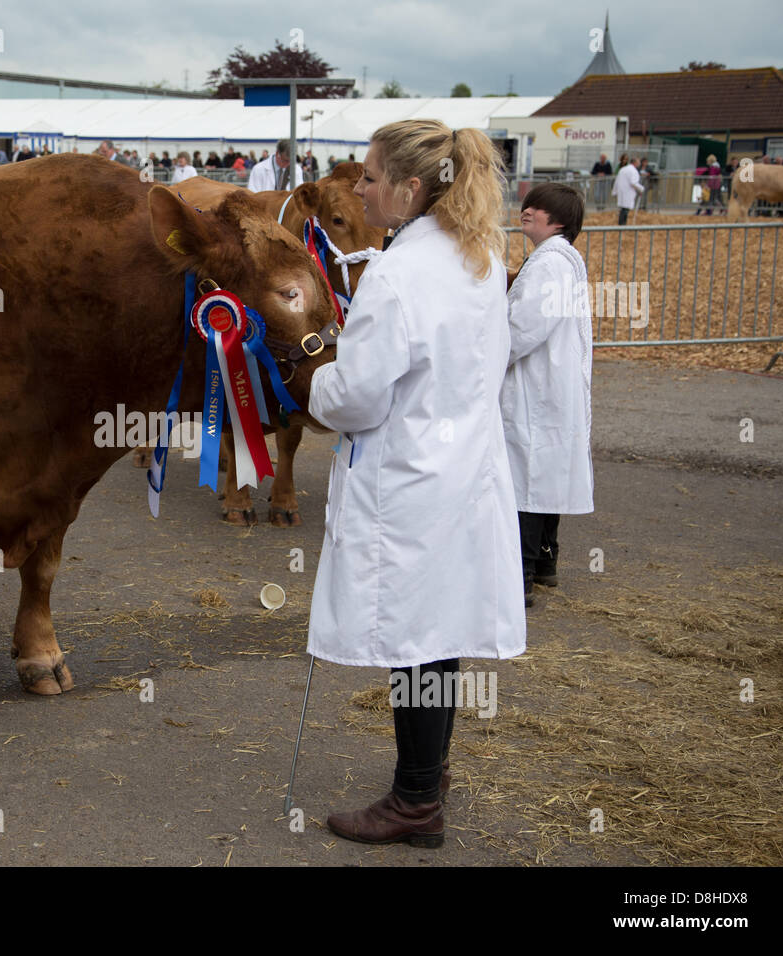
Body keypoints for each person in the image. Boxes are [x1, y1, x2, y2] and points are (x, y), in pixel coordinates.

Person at [307, 119, 525, 847]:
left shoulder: (399, 272)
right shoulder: (480, 254)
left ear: (407, 187)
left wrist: (316, 380)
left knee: (417, 638)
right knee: (440, 630)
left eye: (369, 177)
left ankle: (415, 800)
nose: (359, 188)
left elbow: (360, 397)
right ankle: (427, 775)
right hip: (463, 465)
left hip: (412, 476)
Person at [501, 183, 594, 607]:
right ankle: (544, 565)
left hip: (536, 384)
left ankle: (518, 579)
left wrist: (488, 351)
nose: (527, 212)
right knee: (544, 471)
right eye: (527, 205)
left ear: (557, 222)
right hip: (550, 382)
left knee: (527, 476)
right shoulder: (560, 261)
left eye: (537, 209)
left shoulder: (548, 264)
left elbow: (523, 329)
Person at [614, 155, 643, 225]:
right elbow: (633, 182)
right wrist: (641, 188)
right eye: (638, 162)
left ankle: (622, 223)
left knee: (623, 208)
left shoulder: (623, 169)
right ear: (635, 163)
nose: (639, 164)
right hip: (628, 192)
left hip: (622, 191)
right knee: (625, 209)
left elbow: (617, 180)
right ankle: (622, 224)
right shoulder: (633, 171)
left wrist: (615, 190)